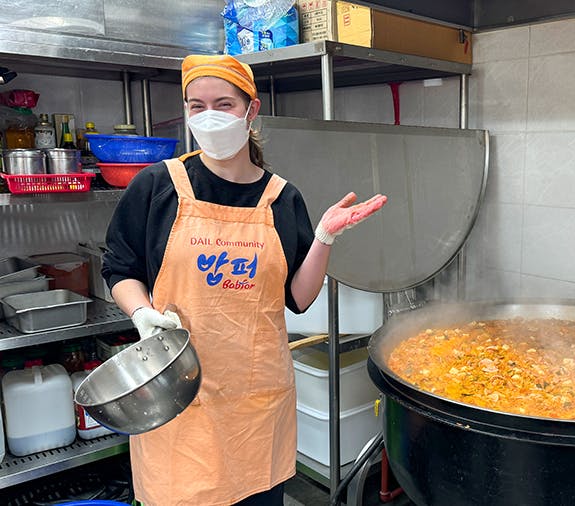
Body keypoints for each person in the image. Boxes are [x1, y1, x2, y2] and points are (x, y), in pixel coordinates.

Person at [101, 54, 387, 506]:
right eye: (197, 106)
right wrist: (141, 313)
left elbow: (298, 298)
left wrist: (324, 237)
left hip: (255, 406)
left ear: (251, 110)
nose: (209, 117)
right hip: (181, 401)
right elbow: (120, 269)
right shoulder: (158, 186)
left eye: (224, 104)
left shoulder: (282, 198)